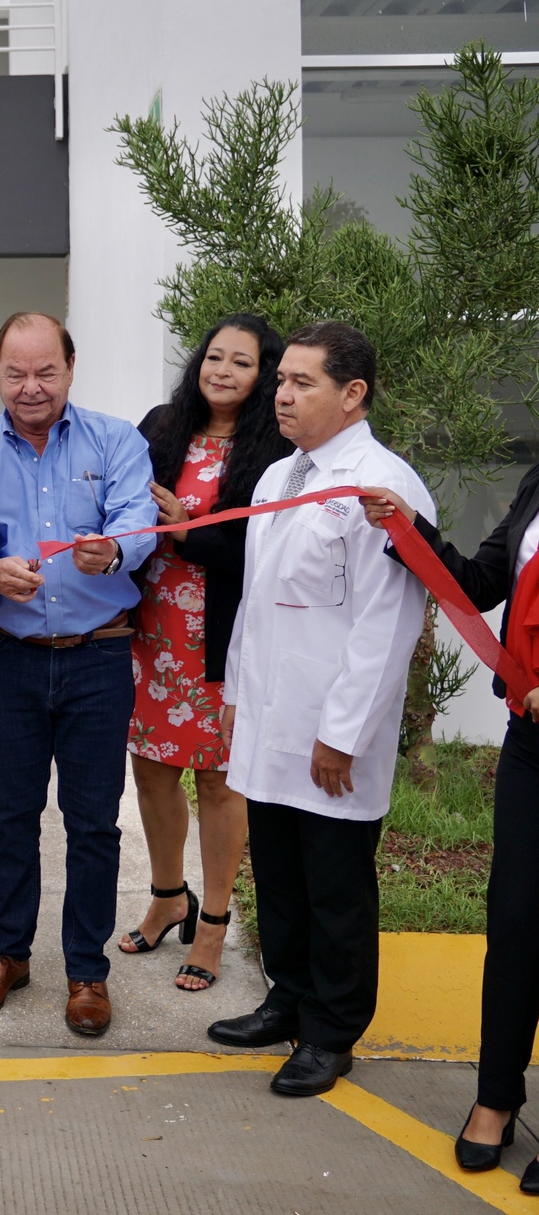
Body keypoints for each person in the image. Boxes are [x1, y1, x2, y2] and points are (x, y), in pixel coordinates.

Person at [207, 321, 433, 1097]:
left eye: (302, 382)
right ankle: (288, 998)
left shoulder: (382, 487)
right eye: (283, 381)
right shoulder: (281, 476)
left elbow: (388, 625)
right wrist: (236, 691)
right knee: (278, 874)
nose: (283, 394)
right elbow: (257, 603)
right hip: (269, 718)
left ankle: (332, 1032)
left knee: (335, 887)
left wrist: (342, 736)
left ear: (353, 394)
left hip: (332, 730)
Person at [0, 311, 158, 1038]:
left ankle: (86, 971)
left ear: (71, 369)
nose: (31, 388)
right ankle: (5, 954)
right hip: (10, 659)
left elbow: (137, 520)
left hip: (99, 657)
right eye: (15, 373)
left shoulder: (116, 440)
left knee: (93, 823)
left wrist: (117, 551)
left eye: (46, 372)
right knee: (9, 814)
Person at [363, 464, 539, 1182]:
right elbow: (476, 583)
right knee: (517, 916)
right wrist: (409, 527)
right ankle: (495, 1096)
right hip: (533, 743)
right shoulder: (538, 483)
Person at [120, 315, 287, 990]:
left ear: (264, 376)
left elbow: (264, 556)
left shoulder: (276, 451)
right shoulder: (162, 426)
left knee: (218, 780)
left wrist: (186, 533)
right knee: (152, 771)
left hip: (222, 640)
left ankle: (213, 923)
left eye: (240, 363)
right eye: (214, 357)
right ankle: (168, 895)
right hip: (150, 632)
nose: (221, 370)